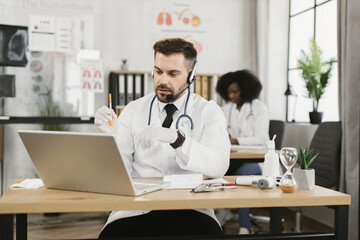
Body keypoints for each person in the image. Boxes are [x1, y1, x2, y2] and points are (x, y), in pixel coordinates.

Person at [94, 38, 230, 238]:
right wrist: (111, 139)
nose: (162, 80)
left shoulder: (208, 111)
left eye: (173, 73)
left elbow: (219, 166)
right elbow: (117, 173)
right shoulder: (133, 110)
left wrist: (177, 139)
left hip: (191, 208)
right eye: (158, 72)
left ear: (191, 74)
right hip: (137, 208)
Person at [215, 70, 269, 234]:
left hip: (255, 160)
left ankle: (245, 227)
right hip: (234, 157)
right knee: (214, 172)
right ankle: (220, 211)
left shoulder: (259, 108)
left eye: (235, 92)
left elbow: (261, 139)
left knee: (241, 177)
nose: (231, 96)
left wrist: (235, 141)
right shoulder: (226, 109)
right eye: (228, 92)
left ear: (245, 90)